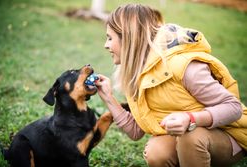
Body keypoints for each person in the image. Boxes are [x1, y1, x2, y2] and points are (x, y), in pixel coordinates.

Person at [95, 3, 247, 167]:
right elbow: (135, 131)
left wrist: (190, 118)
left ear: (129, 37)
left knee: (191, 135)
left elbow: (233, 108)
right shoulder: (139, 75)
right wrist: (108, 97)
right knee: (157, 152)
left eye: (110, 38)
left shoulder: (183, 66)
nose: (106, 45)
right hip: (187, 135)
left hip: (230, 135)